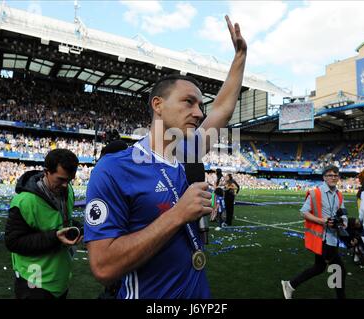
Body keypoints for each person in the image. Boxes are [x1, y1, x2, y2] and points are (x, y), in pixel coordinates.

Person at [84, 15, 247, 299]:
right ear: (157, 105)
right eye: (189, 102)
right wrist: (177, 215)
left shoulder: (188, 153)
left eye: (200, 105)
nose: (199, 113)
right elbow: (103, 266)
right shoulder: (114, 169)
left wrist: (240, 57)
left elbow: (221, 109)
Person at [4, 149, 82, 299]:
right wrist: (55, 237)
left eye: (70, 180)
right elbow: (13, 242)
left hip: (59, 277)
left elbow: (62, 221)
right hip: (34, 280)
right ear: (46, 172)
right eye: (61, 179)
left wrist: (76, 228)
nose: (66, 185)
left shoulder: (68, 190)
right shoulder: (25, 201)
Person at [281, 165, 347, 299]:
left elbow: (343, 212)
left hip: (333, 237)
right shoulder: (315, 193)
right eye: (330, 175)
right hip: (323, 239)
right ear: (324, 177)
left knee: (319, 267)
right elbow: (303, 212)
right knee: (339, 270)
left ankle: (290, 284)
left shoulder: (339, 195)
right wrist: (321, 221)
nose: (333, 178)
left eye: (336, 175)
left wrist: (343, 221)